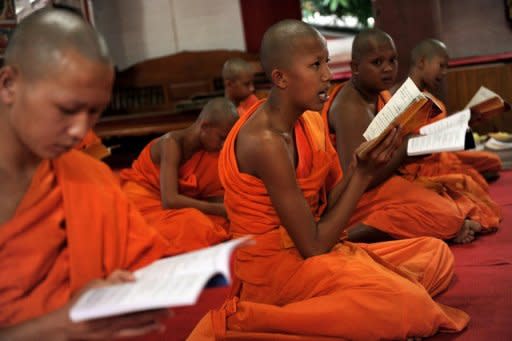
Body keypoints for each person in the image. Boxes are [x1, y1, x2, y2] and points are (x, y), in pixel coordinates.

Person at [188, 19, 468, 341]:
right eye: (315, 65)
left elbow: (323, 206)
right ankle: (269, 319)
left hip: (318, 248)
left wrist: (356, 167)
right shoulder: (265, 142)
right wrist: (362, 176)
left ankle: (364, 308)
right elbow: (314, 246)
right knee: (411, 307)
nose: (327, 75)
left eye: (325, 62)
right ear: (280, 78)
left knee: (436, 254)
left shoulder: (308, 120)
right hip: (279, 272)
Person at [0, 9, 173, 339]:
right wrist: (57, 327)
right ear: (9, 84)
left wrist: (101, 293)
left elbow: (141, 264)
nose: (81, 131)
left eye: (94, 112)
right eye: (66, 110)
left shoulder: (89, 177)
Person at [322, 29, 500, 243]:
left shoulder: (380, 94)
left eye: (393, 60)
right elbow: (359, 181)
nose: (388, 68)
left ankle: (441, 224)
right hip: (359, 197)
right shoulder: (350, 107)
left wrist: (414, 146)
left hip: (389, 177)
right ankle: (348, 235)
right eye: (377, 62)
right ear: (355, 68)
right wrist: (405, 151)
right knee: (448, 214)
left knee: (458, 199)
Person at [120, 98, 237, 254]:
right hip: (143, 203)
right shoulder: (171, 144)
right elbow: (170, 200)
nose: (224, 145)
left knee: (221, 223)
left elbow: (213, 196)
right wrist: (221, 209)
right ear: (204, 126)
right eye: (222, 138)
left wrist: (231, 207)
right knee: (194, 223)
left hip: (176, 207)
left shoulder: (210, 154)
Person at [406, 38, 502, 181]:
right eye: (441, 65)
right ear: (422, 62)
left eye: (447, 67)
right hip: (420, 163)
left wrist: (462, 122)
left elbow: (438, 131)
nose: (444, 72)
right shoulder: (403, 97)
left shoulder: (432, 99)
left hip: (443, 155)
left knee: (492, 160)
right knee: (469, 180)